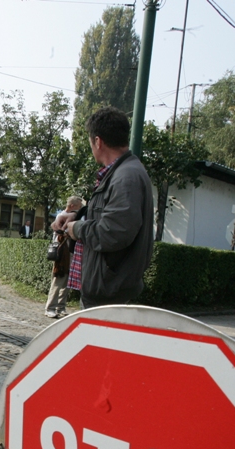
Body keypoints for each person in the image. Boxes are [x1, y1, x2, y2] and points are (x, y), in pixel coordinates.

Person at [53, 106, 154, 308]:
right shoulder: (123, 172)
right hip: (108, 287)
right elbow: (107, 216)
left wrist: (78, 228)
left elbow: (113, 232)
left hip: (109, 291)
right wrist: (77, 215)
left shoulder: (126, 177)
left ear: (98, 141)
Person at [45, 196, 83, 318]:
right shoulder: (61, 216)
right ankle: (50, 307)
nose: (80, 209)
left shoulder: (75, 216)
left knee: (67, 281)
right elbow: (59, 235)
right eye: (78, 206)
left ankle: (61, 307)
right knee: (58, 279)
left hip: (71, 252)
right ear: (72, 206)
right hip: (62, 254)